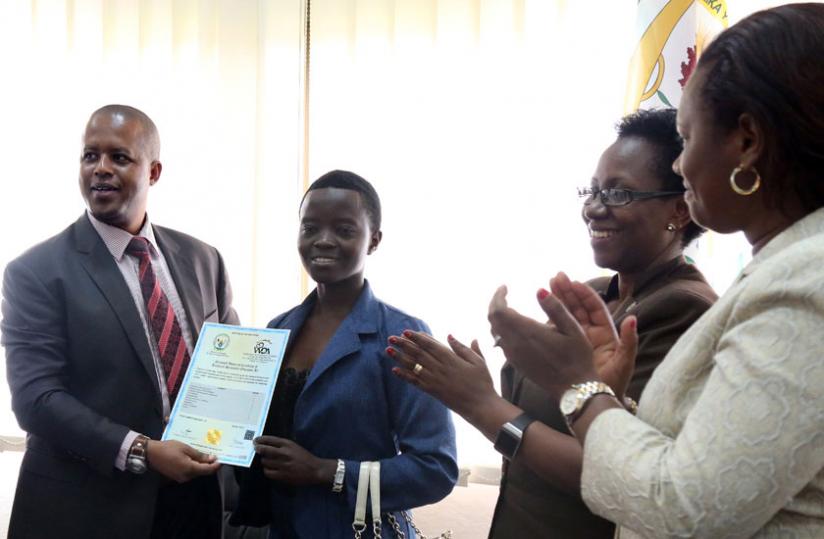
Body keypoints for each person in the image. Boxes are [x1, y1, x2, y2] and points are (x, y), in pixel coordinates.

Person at [390, 3, 824, 537]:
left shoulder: (800, 285)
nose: (683, 164)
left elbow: (686, 506)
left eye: (686, 139)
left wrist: (574, 390)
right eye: (592, 191)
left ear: (748, 142)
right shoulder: (606, 296)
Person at [1, 105, 239, 539]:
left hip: (196, 503)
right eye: (90, 156)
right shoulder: (35, 272)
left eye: (120, 157)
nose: (101, 169)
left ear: (154, 172)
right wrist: (145, 451)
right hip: (87, 510)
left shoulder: (205, 260)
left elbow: (231, 370)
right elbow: (36, 399)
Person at [489, 109, 716, 538]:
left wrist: (477, 404)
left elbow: (614, 468)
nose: (594, 208)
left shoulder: (683, 308)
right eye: (592, 191)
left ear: (679, 210)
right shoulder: (593, 296)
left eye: (618, 194)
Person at [231, 170, 458, 538]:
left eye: (344, 230)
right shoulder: (277, 329)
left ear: (374, 240)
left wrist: (327, 471)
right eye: (310, 228)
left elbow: (436, 469)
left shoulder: (404, 337)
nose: (323, 241)